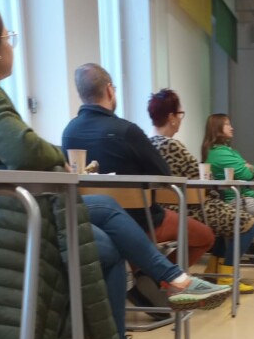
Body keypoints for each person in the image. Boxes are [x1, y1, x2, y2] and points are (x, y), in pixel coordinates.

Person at [0, 0, 227, 339]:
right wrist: (57, 158)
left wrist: (52, 154)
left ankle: (172, 285)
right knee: (106, 242)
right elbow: (25, 151)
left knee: (102, 211)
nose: (11, 45)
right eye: (7, 37)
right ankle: (144, 317)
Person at [63, 64, 215, 270]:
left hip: (91, 223)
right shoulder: (127, 131)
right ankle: (157, 280)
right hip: (142, 223)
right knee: (205, 236)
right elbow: (165, 177)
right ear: (109, 89)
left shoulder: (69, 132)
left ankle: (147, 278)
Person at [147, 89, 254, 290]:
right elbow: (199, 181)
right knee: (247, 223)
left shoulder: (147, 146)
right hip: (190, 209)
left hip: (157, 209)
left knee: (223, 219)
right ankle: (227, 276)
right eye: (180, 115)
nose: (181, 119)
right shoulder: (175, 147)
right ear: (172, 117)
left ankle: (211, 269)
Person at [201, 113, 254, 274]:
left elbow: (250, 169)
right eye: (228, 125)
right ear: (217, 129)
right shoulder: (220, 154)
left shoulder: (226, 151)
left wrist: (249, 167)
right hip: (236, 200)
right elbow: (247, 173)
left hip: (245, 196)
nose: (232, 128)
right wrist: (248, 167)